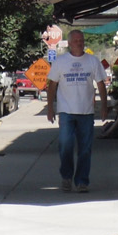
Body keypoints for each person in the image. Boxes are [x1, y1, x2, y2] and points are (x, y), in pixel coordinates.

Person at [45, 30, 108, 193]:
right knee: (65, 144)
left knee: (85, 149)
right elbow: (52, 85)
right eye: (76, 40)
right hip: (66, 111)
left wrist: (104, 106)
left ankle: (82, 181)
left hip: (86, 111)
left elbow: (101, 84)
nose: (79, 43)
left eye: (81, 40)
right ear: (70, 43)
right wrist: (50, 108)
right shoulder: (61, 62)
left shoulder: (92, 61)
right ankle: (66, 177)